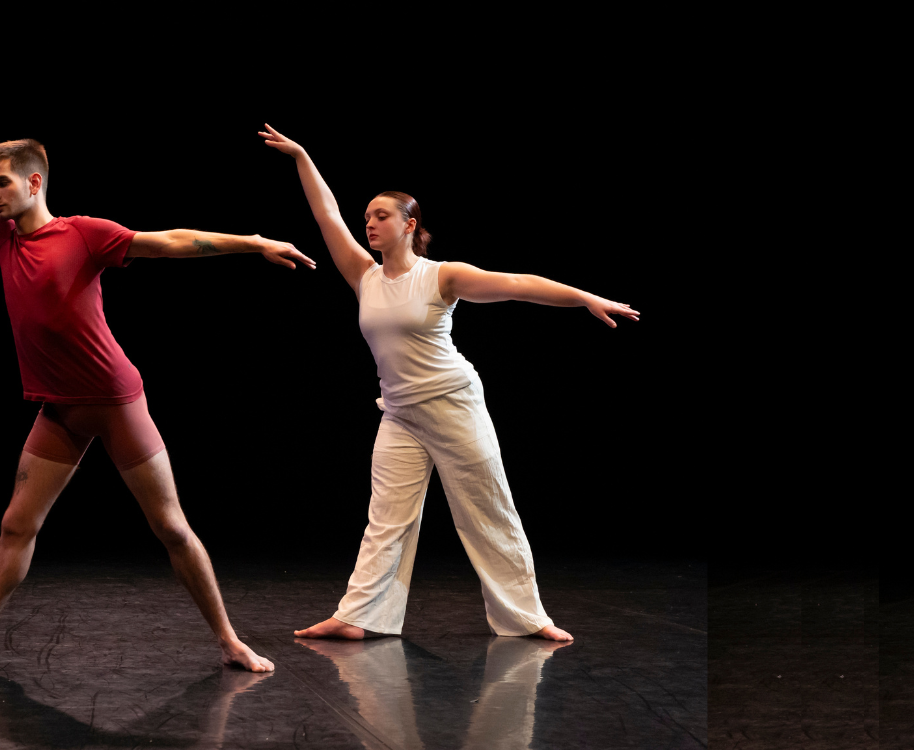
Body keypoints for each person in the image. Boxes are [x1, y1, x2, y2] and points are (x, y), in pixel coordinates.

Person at [0, 81, 317, 672]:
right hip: (58, 408)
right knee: (16, 525)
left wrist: (255, 243)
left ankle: (229, 640)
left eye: (1, 182)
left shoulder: (82, 233)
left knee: (171, 527)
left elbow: (170, 243)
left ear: (34, 182)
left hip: (114, 400)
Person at [256, 123, 640, 642]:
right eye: (366, 215)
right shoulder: (363, 276)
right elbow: (325, 213)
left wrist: (583, 297)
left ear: (410, 224)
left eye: (381, 215)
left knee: (488, 507)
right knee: (386, 518)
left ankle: (529, 619)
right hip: (399, 411)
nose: (368, 223)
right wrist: (302, 155)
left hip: (452, 402)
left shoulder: (441, 276)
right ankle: (358, 617)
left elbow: (518, 285)